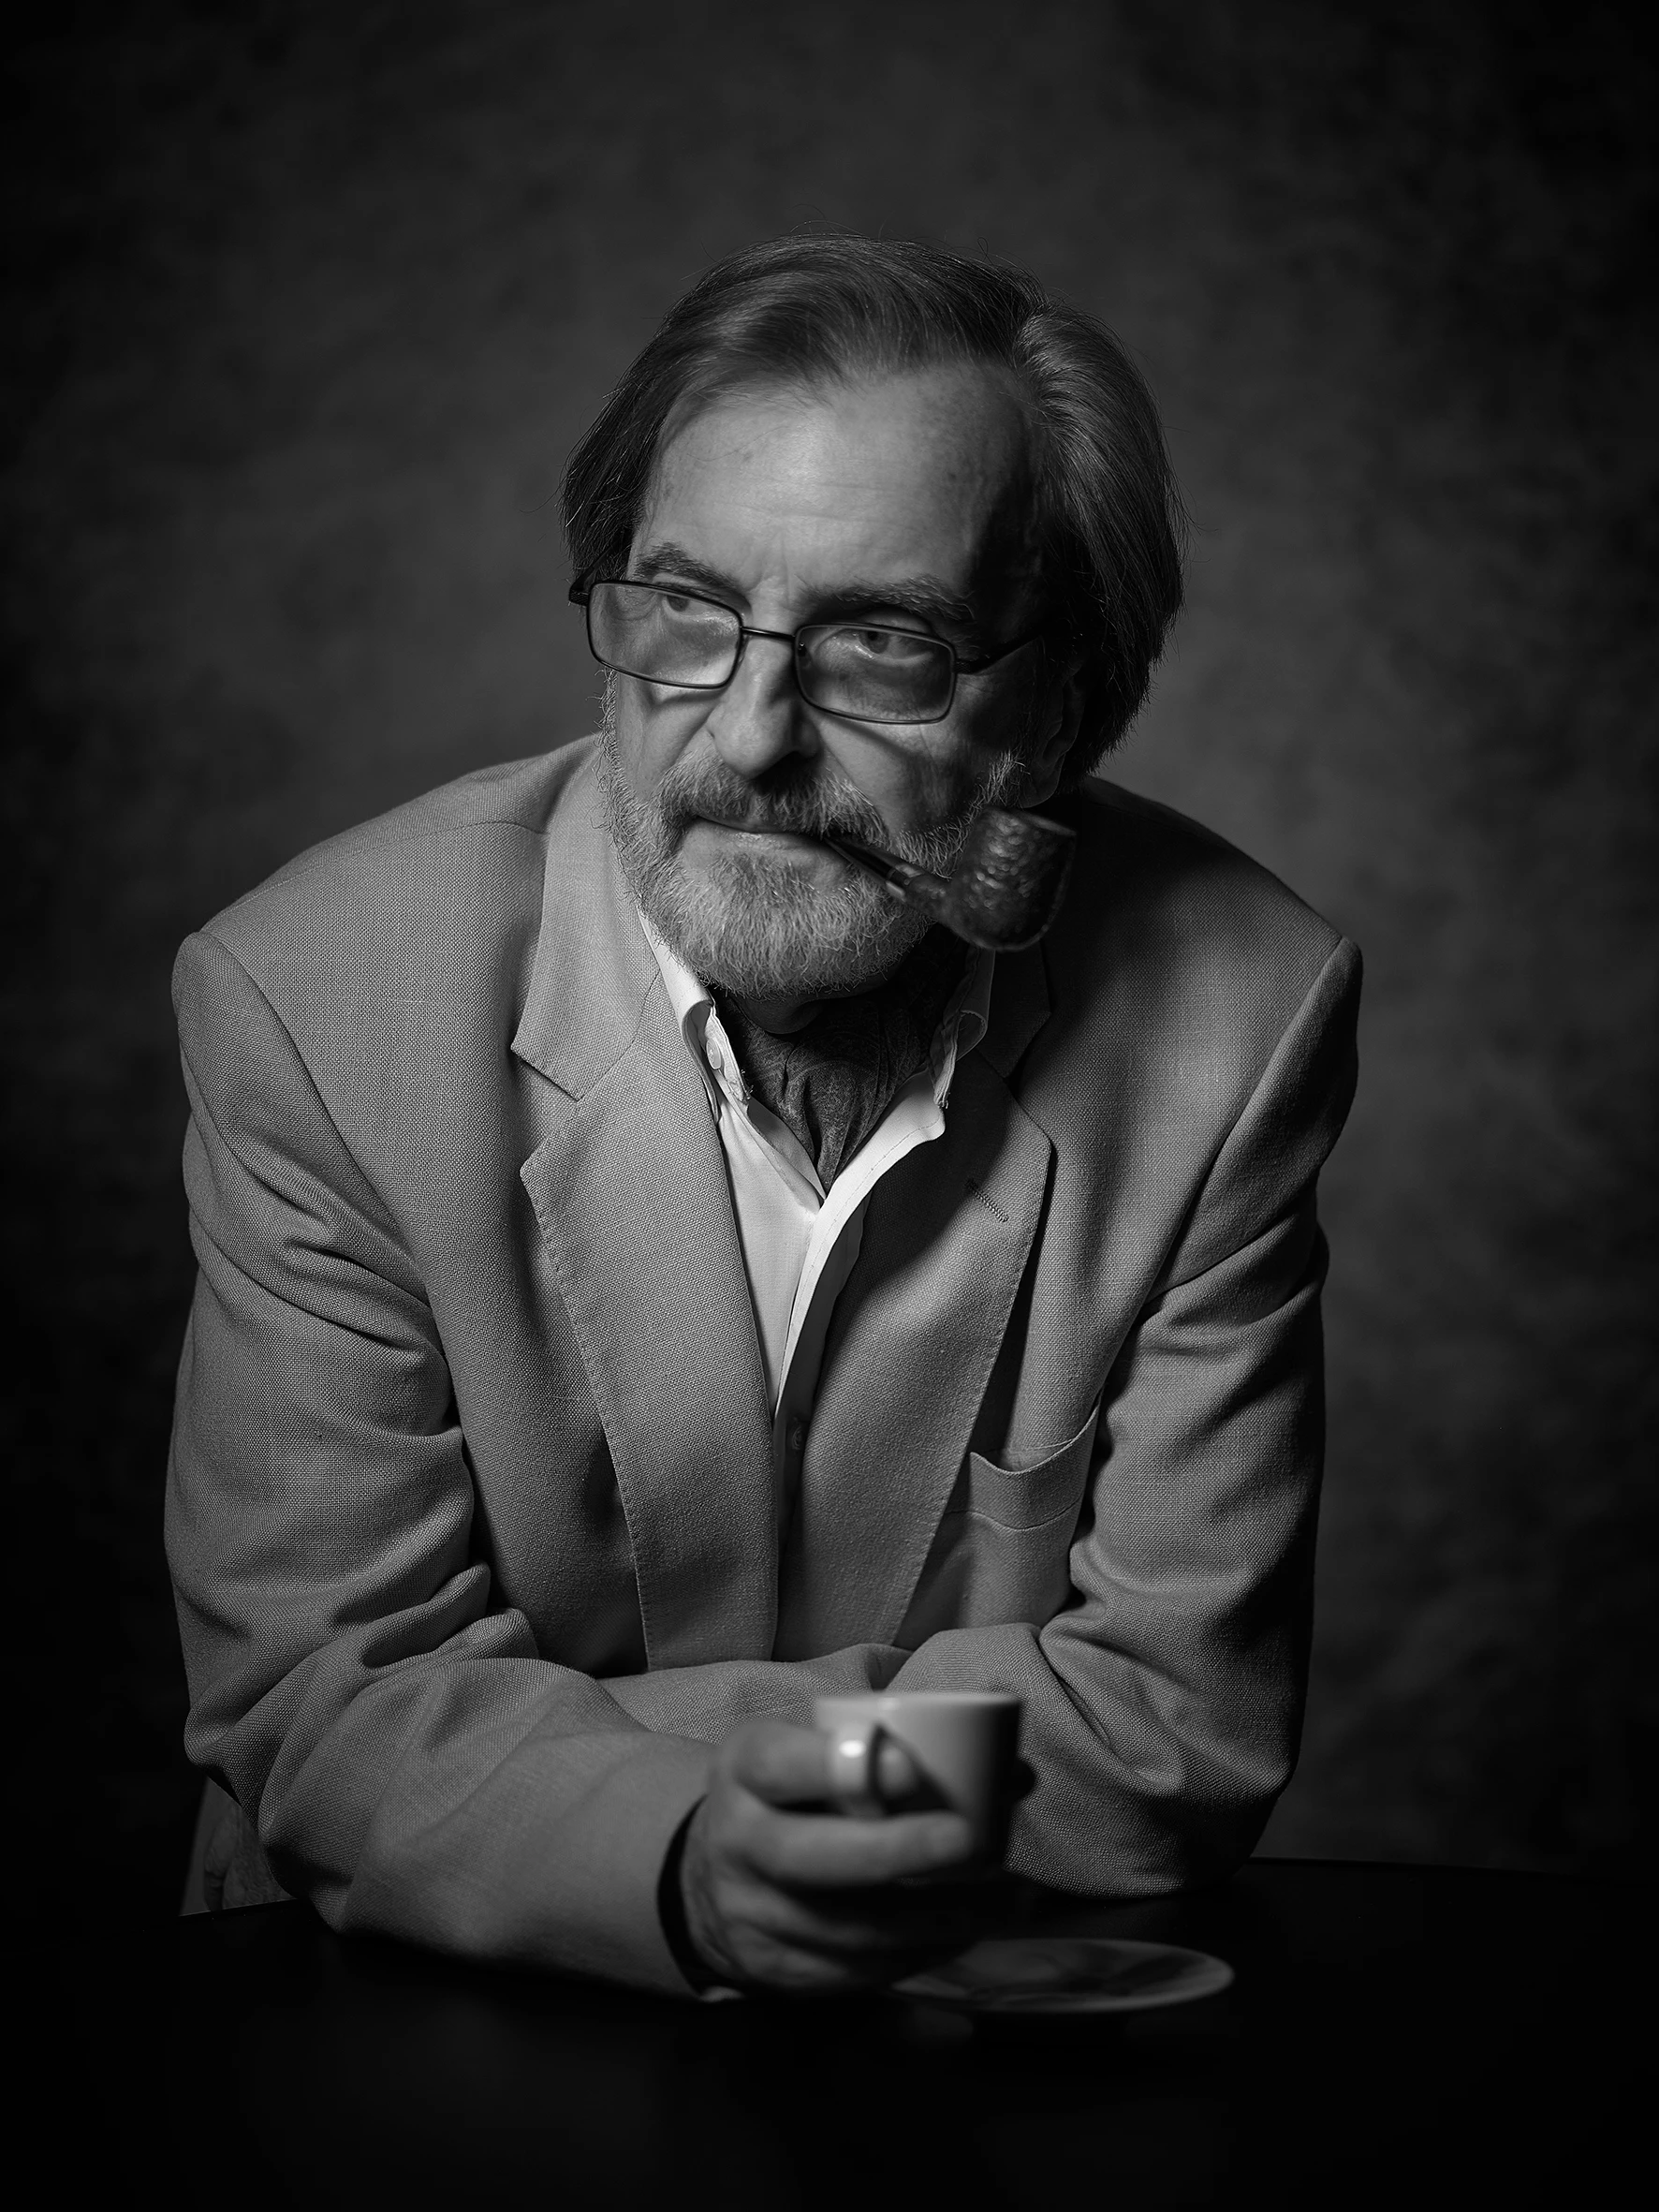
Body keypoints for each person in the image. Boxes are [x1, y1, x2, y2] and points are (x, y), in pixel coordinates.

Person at [167, 234, 1360, 1996]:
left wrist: (551, 1758)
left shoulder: (1239, 1015)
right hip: (384, 2012)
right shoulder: (319, 996)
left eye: (885, 641)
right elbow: (320, 1714)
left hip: (966, 2054)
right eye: (684, 609)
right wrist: (686, 1856)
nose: (751, 733)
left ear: (1065, 705)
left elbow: (1173, 1734)